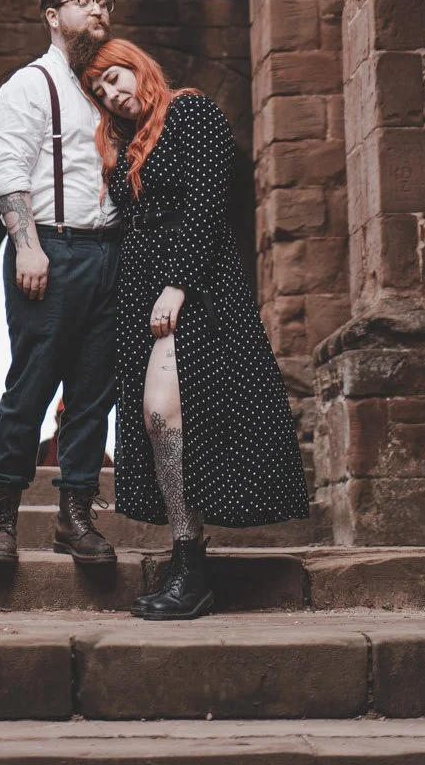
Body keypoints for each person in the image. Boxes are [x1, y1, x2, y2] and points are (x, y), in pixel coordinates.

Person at [84, 37, 310, 620]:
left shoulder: (191, 112)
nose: (112, 93)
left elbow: (208, 203)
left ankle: (192, 567)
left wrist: (178, 284)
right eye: (100, 90)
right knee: (158, 419)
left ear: (139, 66)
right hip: (141, 293)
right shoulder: (120, 144)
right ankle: (188, 558)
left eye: (115, 78)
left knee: (164, 412)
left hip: (196, 285)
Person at [0, 0, 123, 568]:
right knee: (31, 384)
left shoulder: (110, 85)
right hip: (53, 248)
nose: (96, 9)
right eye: (83, 1)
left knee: (93, 394)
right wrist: (28, 245)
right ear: (53, 16)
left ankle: (75, 516)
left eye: (101, 1)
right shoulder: (28, 86)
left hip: (109, 251)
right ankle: (1, 517)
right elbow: (8, 173)